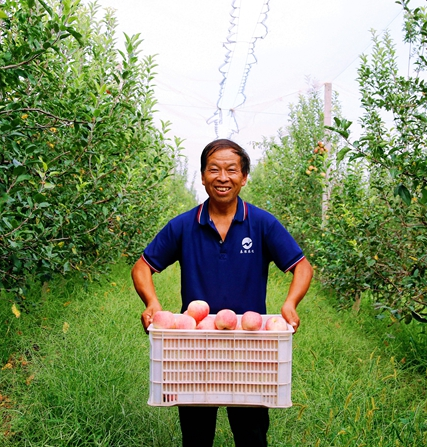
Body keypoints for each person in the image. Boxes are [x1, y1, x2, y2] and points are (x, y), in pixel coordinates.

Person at [131, 139, 313, 447]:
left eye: (231, 169)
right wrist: (152, 302)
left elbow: (302, 267)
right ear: (202, 176)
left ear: (243, 177)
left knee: (252, 433)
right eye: (213, 169)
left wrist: (291, 303)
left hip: (250, 346)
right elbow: (141, 267)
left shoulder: (262, 223)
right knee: (196, 434)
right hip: (196, 345)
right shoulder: (184, 225)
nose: (222, 177)